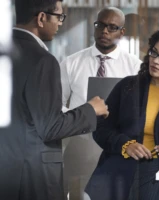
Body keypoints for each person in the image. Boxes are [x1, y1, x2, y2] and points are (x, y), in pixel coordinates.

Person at [0, 0, 109, 200]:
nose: (60, 23)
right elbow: (50, 127)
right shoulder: (43, 60)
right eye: (59, 16)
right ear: (41, 18)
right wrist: (91, 110)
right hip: (33, 176)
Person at [85, 29, 159, 200]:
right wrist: (125, 145)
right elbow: (101, 128)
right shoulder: (127, 87)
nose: (155, 61)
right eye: (153, 53)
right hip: (120, 165)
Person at [60, 7, 142, 200]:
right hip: (79, 141)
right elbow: (57, 104)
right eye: (101, 25)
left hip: (117, 145)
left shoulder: (135, 67)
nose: (105, 31)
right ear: (94, 26)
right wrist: (79, 117)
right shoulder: (71, 63)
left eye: (112, 27)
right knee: (76, 194)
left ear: (122, 32)